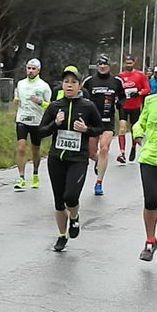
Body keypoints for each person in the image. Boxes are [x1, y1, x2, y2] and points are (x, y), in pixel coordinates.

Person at [38, 67, 102, 252]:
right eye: (66, 82)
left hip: (78, 159)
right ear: (62, 85)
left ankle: (74, 218)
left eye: (73, 82)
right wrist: (55, 123)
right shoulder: (55, 106)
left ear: (79, 85)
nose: (69, 85)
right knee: (59, 200)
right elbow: (41, 131)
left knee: (71, 196)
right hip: (56, 158)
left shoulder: (88, 106)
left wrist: (86, 130)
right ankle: (61, 235)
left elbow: (101, 128)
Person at [82, 54, 125, 196]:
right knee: (91, 153)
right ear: (97, 66)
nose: (102, 66)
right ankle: (98, 161)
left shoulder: (116, 81)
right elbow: (81, 96)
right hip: (92, 121)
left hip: (108, 120)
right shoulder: (89, 81)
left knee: (104, 148)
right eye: (99, 64)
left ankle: (99, 182)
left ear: (109, 65)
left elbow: (122, 96)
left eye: (104, 64)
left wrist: (120, 103)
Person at [12, 58, 52, 190]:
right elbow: (17, 96)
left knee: (35, 150)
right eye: (29, 68)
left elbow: (50, 106)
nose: (30, 71)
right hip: (22, 119)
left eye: (33, 69)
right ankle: (21, 177)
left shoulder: (44, 86)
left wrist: (40, 102)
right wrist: (16, 100)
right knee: (21, 147)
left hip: (37, 121)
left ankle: (35, 174)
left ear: (38, 70)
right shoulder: (21, 84)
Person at [132, 93, 157, 261]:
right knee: (151, 200)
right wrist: (138, 134)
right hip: (149, 158)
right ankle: (150, 241)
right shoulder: (151, 101)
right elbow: (139, 123)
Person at [117, 54, 150, 163]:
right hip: (124, 106)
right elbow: (117, 90)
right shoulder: (120, 76)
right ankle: (122, 153)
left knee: (134, 130)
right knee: (122, 128)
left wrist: (139, 93)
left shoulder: (140, 75)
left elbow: (147, 89)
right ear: (124, 64)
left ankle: (133, 147)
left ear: (134, 63)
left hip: (135, 106)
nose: (128, 65)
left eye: (130, 63)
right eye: (126, 63)